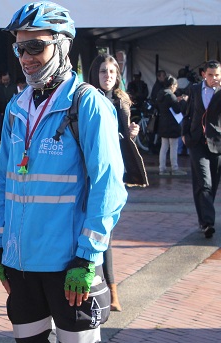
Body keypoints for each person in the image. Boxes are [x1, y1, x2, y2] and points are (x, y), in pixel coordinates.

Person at [0, 3, 127, 343]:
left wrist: (87, 258)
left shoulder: (87, 104)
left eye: (35, 46)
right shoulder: (16, 107)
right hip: (21, 265)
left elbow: (108, 187)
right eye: (19, 48)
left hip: (69, 265)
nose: (26, 57)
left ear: (63, 45)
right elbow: (4, 182)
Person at [87, 53, 147, 312]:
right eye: (103, 71)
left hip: (113, 174)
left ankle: (111, 289)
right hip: (90, 172)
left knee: (105, 233)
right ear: (95, 74)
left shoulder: (122, 101)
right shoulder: (86, 99)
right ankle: (94, 283)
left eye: (112, 72)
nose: (108, 76)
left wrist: (132, 134)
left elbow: (123, 136)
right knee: (92, 232)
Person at [182, 60, 221, 239]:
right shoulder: (195, 89)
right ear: (204, 74)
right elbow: (188, 113)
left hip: (217, 143)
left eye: (217, 75)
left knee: (211, 185)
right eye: (211, 74)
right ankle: (208, 223)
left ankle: (203, 218)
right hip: (196, 141)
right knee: (204, 182)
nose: (214, 78)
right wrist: (185, 134)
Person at [156, 75, 188, 176]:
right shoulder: (171, 95)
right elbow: (177, 109)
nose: (176, 88)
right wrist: (183, 100)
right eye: (176, 86)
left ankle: (162, 169)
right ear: (172, 85)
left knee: (164, 147)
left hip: (163, 123)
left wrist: (176, 100)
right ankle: (174, 168)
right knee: (174, 146)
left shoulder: (160, 94)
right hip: (172, 124)